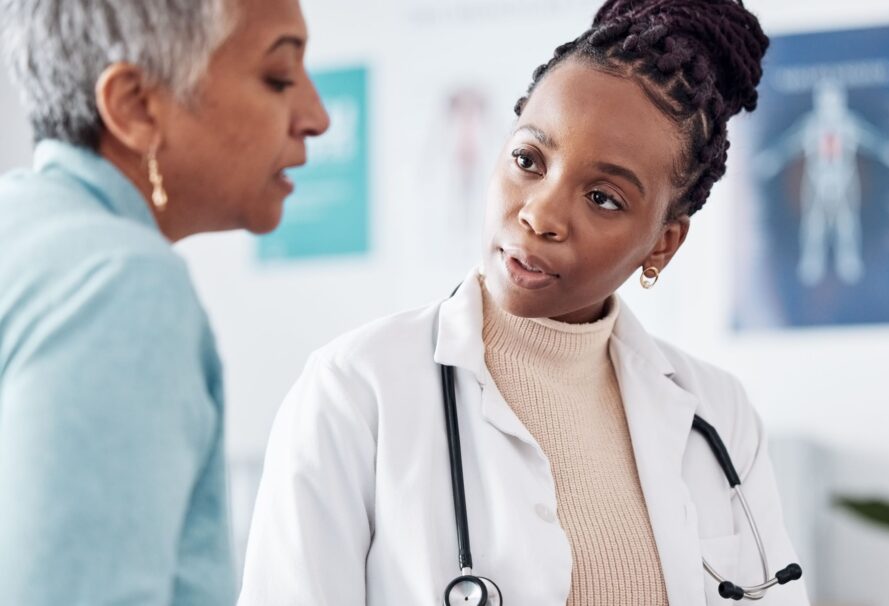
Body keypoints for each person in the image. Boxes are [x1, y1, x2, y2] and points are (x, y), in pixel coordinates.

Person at [240, 0, 808, 604]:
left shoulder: (719, 415)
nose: (539, 213)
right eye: (528, 160)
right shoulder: (356, 390)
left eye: (603, 197)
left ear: (663, 245)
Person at [0, 0, 328, 603]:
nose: (317, 116)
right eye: (278, 78)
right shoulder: (118, 285)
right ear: (136, 106)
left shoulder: (21, 230)